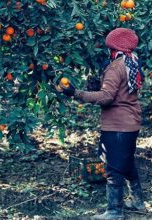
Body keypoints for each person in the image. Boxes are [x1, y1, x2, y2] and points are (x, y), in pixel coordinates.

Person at [58, 28, 146, 220]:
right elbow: (122, 90)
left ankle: (114, 211)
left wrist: (76, 93)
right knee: (127, 162)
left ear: (113, 46)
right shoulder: (132, 61)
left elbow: (107, 97)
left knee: (113, 168)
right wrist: (98, 85)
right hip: (130, 122)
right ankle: (138, 201)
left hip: (118, 125)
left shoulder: (116, 66)